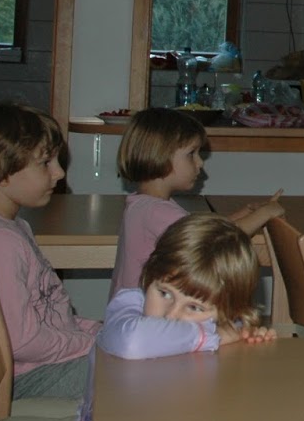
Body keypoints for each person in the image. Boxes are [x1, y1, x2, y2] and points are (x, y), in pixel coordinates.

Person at [74, 213, 275, 421]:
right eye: (165, 293)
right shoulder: (126, 305)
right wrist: (216, 335)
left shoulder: (220, 323)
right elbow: (132, 342)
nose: (171, 314)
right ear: (150, 275)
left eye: (194, 307)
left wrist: (246, 338)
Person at [0, 102, 101, 399]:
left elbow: (49, 315)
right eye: (45, 163)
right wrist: (91, 344)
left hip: (40, 365)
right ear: (0, 168)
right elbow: (21, 342)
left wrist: (95, 331)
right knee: (142, 373)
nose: (59, 172)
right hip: (29, 377)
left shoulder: (8, 226)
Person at [110, 108, 284, 296]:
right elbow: (212, 243)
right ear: (160, 154)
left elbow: (205, 230)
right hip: (145, 313)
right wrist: (265, 214)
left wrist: (246, 213)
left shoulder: (144, 203)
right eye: (191, 153)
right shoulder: (157, 211)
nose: (200, 162)